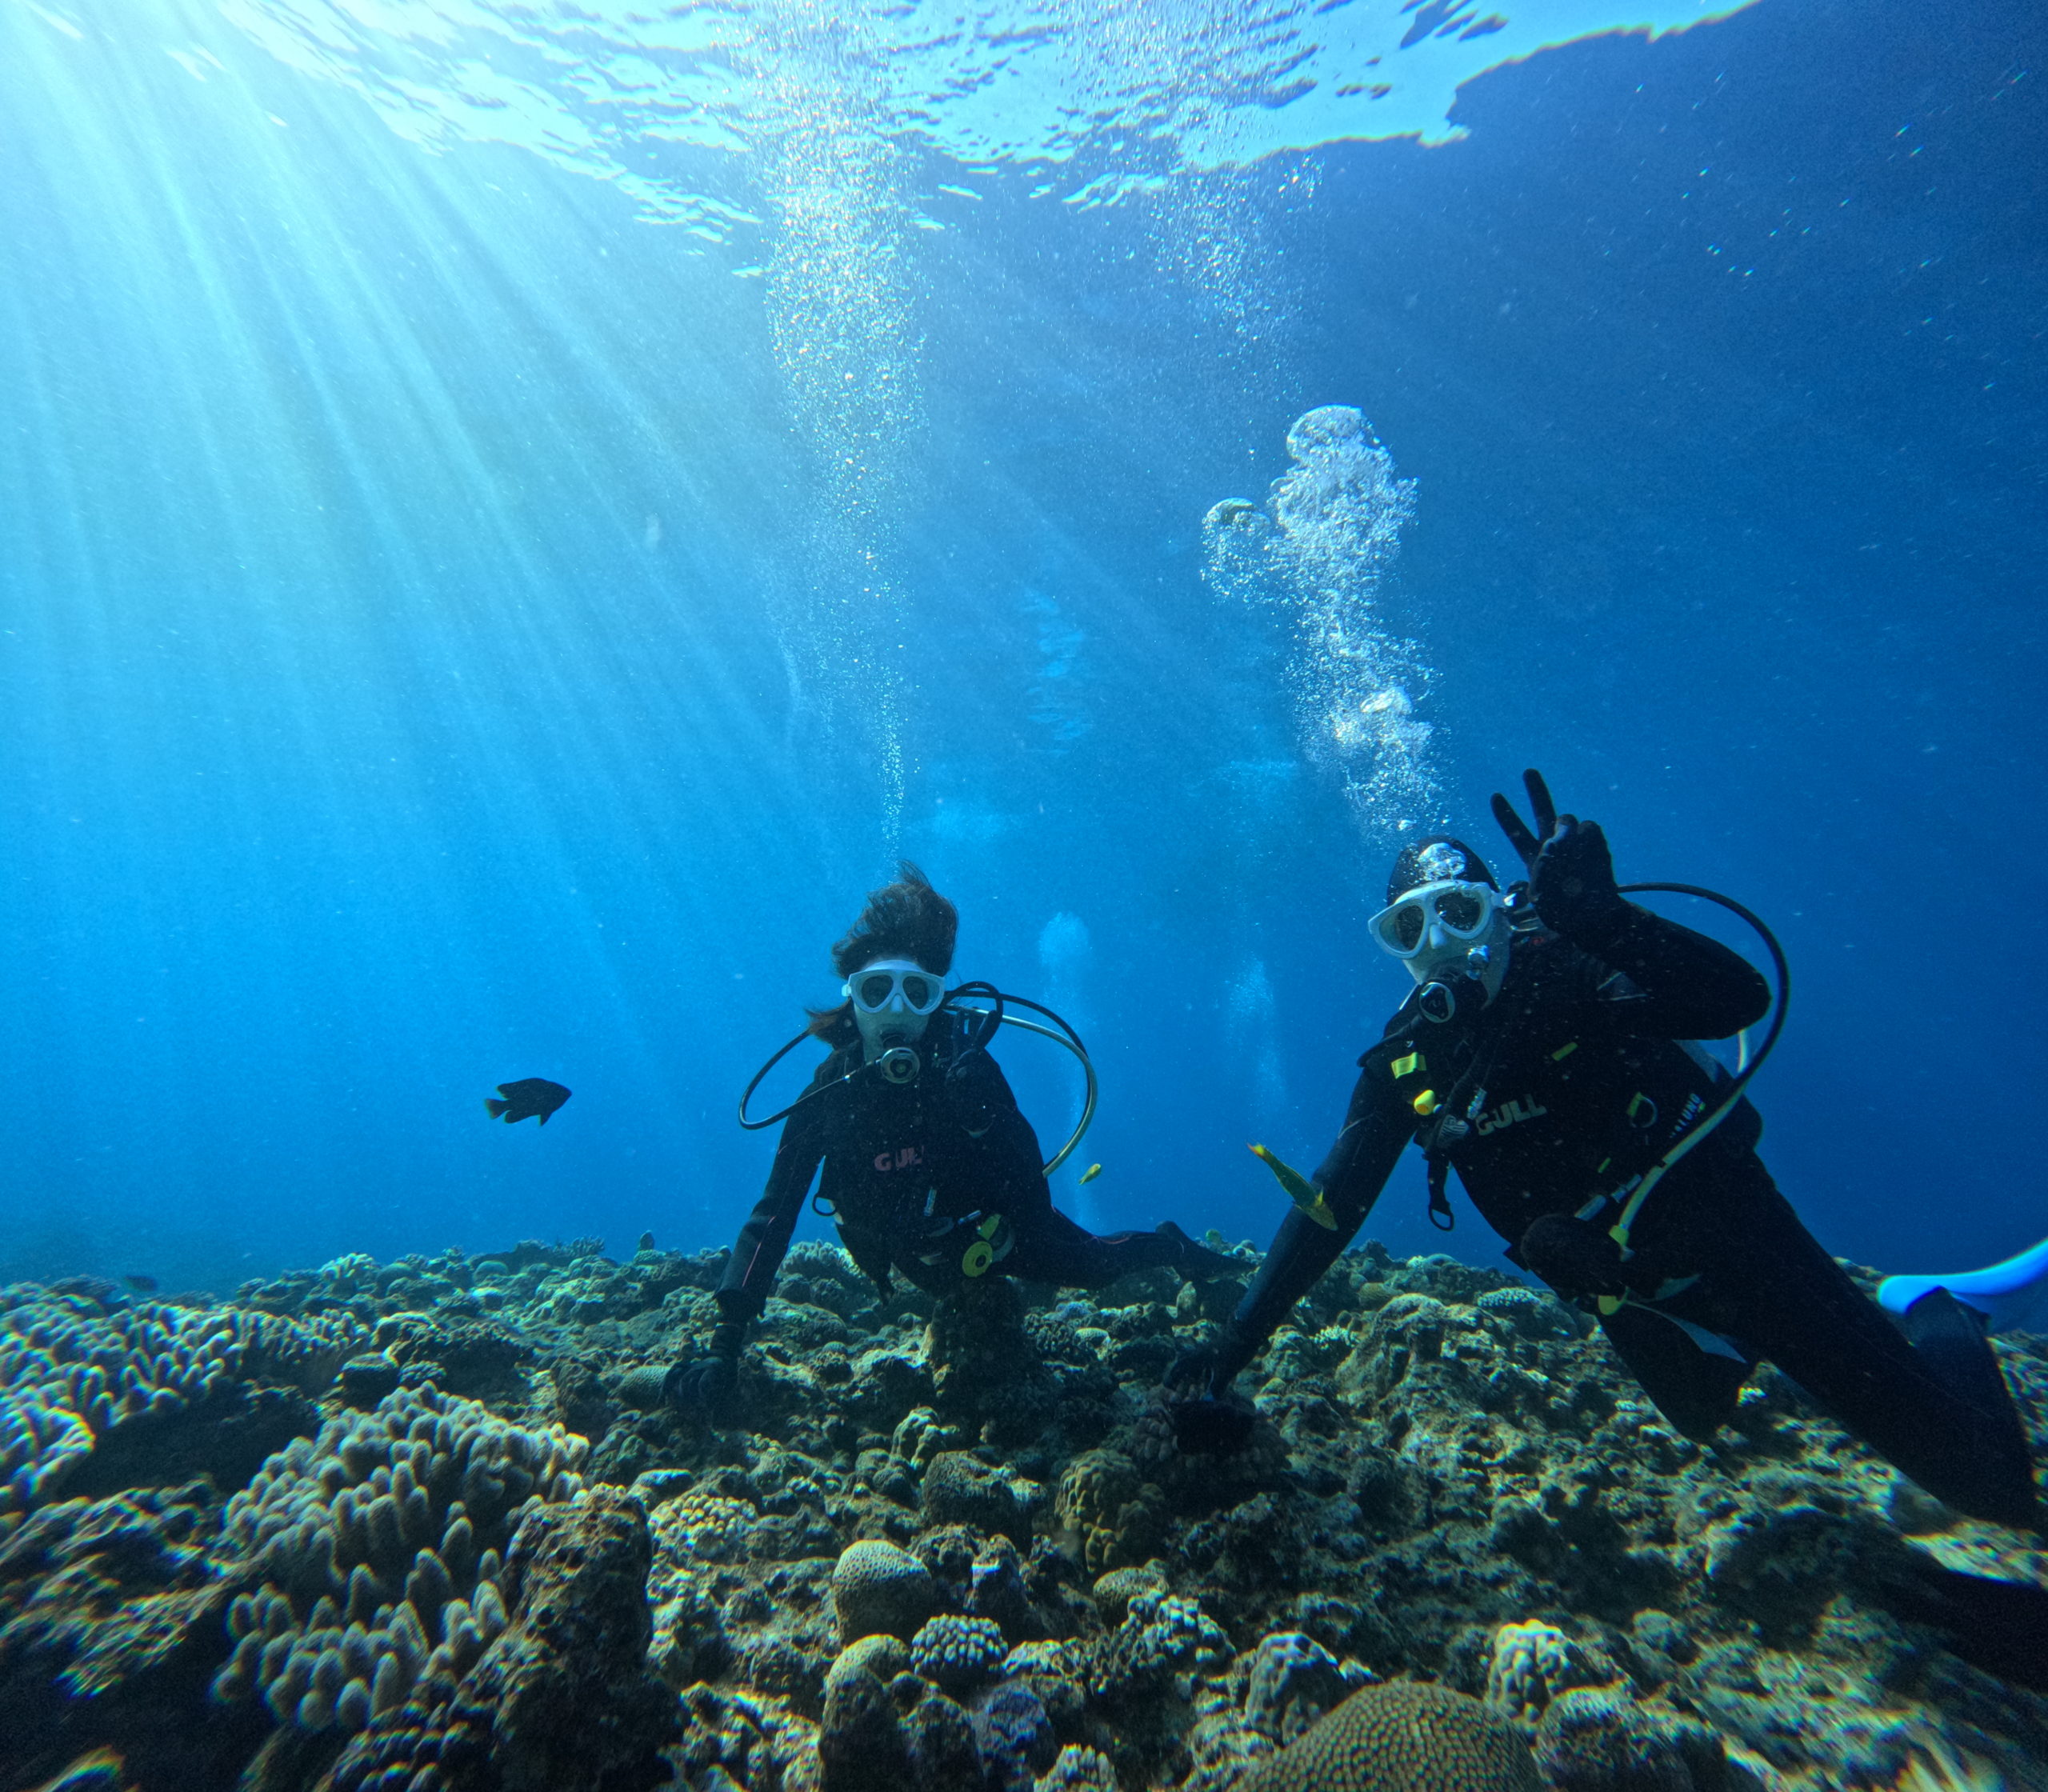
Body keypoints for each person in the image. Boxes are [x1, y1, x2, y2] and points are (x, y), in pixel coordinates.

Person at [1178, 771, 2042, 1531]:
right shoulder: (1410, 1057)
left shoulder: (1573, 962)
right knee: (1703, 1413)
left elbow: (1737, 996)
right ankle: (1866, 1329)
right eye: (1409, 928)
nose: (1438, 941)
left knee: (1982, 1483)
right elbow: (1331, 1203)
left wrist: (1607, 918)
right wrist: (1233, 1344)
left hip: (1737, 1241)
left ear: (1499, 909)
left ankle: (1939, 1310)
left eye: (1459, 910)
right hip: (1625, 1290)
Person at [669, 863, 1237, 1410]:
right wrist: (726, 1343)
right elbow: (775, 1212)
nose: (896, 1010)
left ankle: (1173, 1247)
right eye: (875, 992)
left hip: (998, 1236)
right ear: (852, 1002)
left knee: (1091, 1266)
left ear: (937, 999)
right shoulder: (830, 1091)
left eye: (916, 992)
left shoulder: (966, 1069)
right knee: (951, 1283)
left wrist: (982, 1117)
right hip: (907, 1253)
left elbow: (1034, 1203)